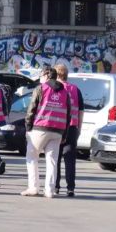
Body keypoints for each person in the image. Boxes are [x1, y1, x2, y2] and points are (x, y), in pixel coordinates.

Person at [23, 66, 71, 198]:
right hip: (58, 130)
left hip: (40, 128)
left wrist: (28, 128)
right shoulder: (65, 92)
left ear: (46, 76)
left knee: (32, 156)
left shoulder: (41, 88)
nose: (40, 78)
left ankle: (33, 187)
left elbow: (31, 109)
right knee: (52, 161)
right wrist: (64, 134)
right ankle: (49, 190)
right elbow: (68, 115)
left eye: (41, 75)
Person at [53, 64, 84, 197]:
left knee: (56, 158)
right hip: (72, 127)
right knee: (70, 159)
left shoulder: (55, 88)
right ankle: (70, 188)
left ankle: (55, 186)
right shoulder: (75, 90)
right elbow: (81, 110)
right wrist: (79, 127)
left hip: (57, 127)